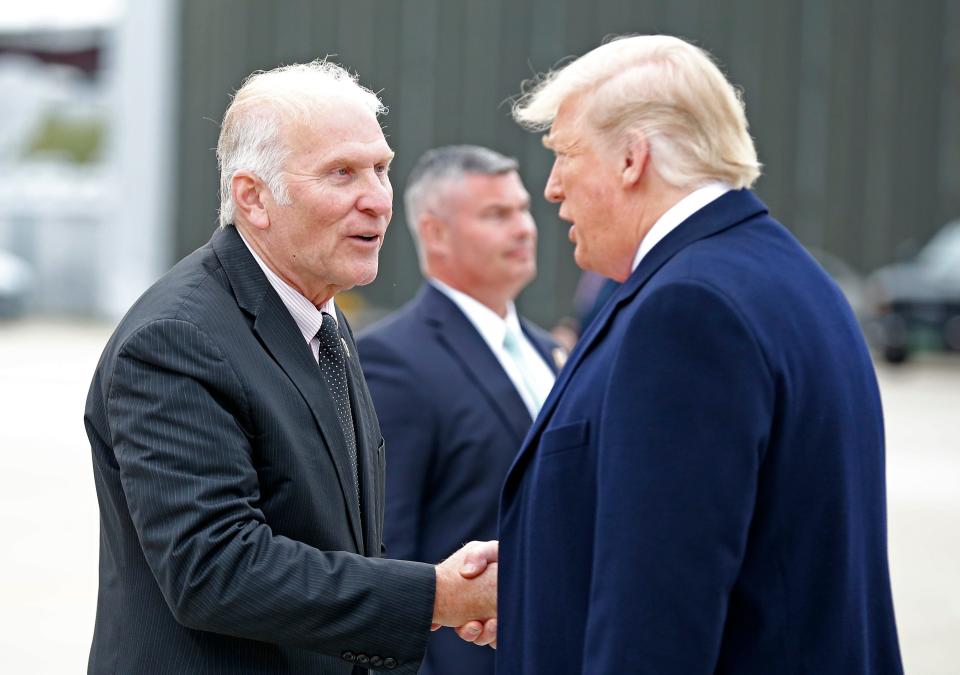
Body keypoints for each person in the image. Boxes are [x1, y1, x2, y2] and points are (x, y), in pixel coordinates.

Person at [491, 35, 903, 673]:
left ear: (633, 158)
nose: (551, 189)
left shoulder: (688, 312)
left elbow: (658, 616)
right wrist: (534, 568)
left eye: (564, 155)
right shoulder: (784, 276)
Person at [83, 60, 497, 675]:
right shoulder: (176, 339)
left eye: (381, 168)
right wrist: (437, 597)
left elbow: (337, 538)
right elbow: (215, 569)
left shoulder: (319, 313)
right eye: (342, 173)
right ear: (253, 197)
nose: (377, 201)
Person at [357, 145, 563, 675]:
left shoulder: (551, 351)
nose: (524, 229)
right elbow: (387, 551)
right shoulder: (394, 359)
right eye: (497, 215)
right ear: (435, 233)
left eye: (523, 210)